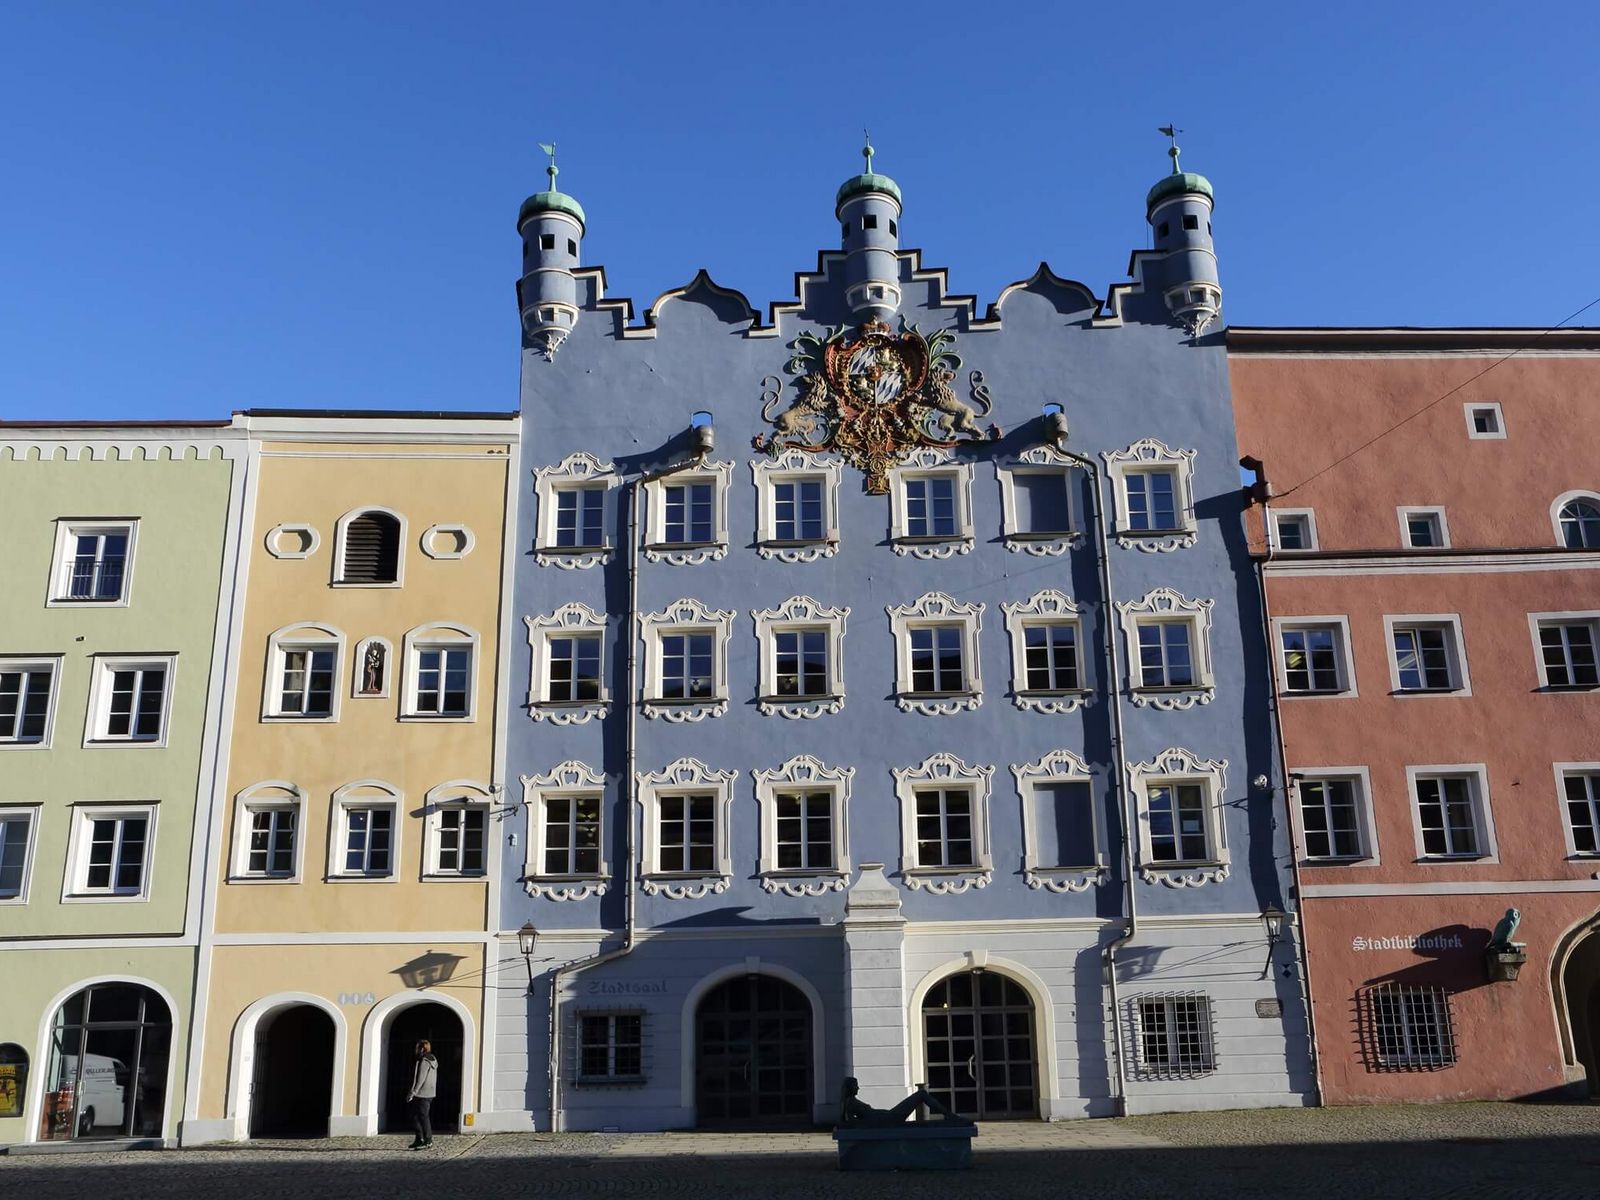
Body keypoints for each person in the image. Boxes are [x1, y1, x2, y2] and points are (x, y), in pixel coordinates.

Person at [406, 1040, 438, 1150]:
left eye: (417, 1048)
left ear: (422, 1049)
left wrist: (413, 1092)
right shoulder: (432, 1059)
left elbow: (420, 1078)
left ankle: (428, 1140)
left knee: (423, 1117)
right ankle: (419, 1139)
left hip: (422, 1093)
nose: (415, 1050)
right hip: (428, 1092)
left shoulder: (424, 1061)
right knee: (415, 1116)